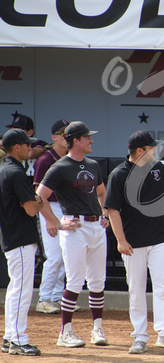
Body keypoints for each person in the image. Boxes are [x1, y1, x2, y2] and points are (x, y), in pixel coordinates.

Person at [105, 131, 164, 354]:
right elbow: (112, 210)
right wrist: (120, 240)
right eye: (151, 147)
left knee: (162, 286)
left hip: (159, 238)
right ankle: (139, 336)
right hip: (133, 243)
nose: (155, 150)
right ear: (140, 151)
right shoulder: (119, 174)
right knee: (137, 289)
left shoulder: (159, 168)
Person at [36, 121, 110, 348]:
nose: (91, 141)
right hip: (75, 228)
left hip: (97, 227)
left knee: (97, 281)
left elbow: (101, 191)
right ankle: (65, 333)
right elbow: (40, 197)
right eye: (87, 138)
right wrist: (56, 223)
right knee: (75, 281)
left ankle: (97, 329)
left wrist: (104, 212)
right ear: (75, 141)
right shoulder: (60, 166)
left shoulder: (93, 164)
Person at [0, 129, 42, 356]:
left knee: (16, 289)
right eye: (27, 144)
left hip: (13, 237)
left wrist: (33, 200)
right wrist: (38, 200)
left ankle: (9, 337)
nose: (30, 148)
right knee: (21, 290)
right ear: (17, 147)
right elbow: (31, 208)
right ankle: (17, 339)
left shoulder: (4, 169)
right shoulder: (15, 172)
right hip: (20, 239)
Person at [33, 119, 69, 315]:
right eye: (62, 133)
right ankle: (44, 298)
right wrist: (48, 218)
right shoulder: (45, 159)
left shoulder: (71, 158)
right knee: (54, 256)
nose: (66, 137)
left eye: (68, 133)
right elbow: (38, 195)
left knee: (64, 255)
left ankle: (56, 297)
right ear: (54, 137)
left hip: (66, 208)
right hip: (50, 206)